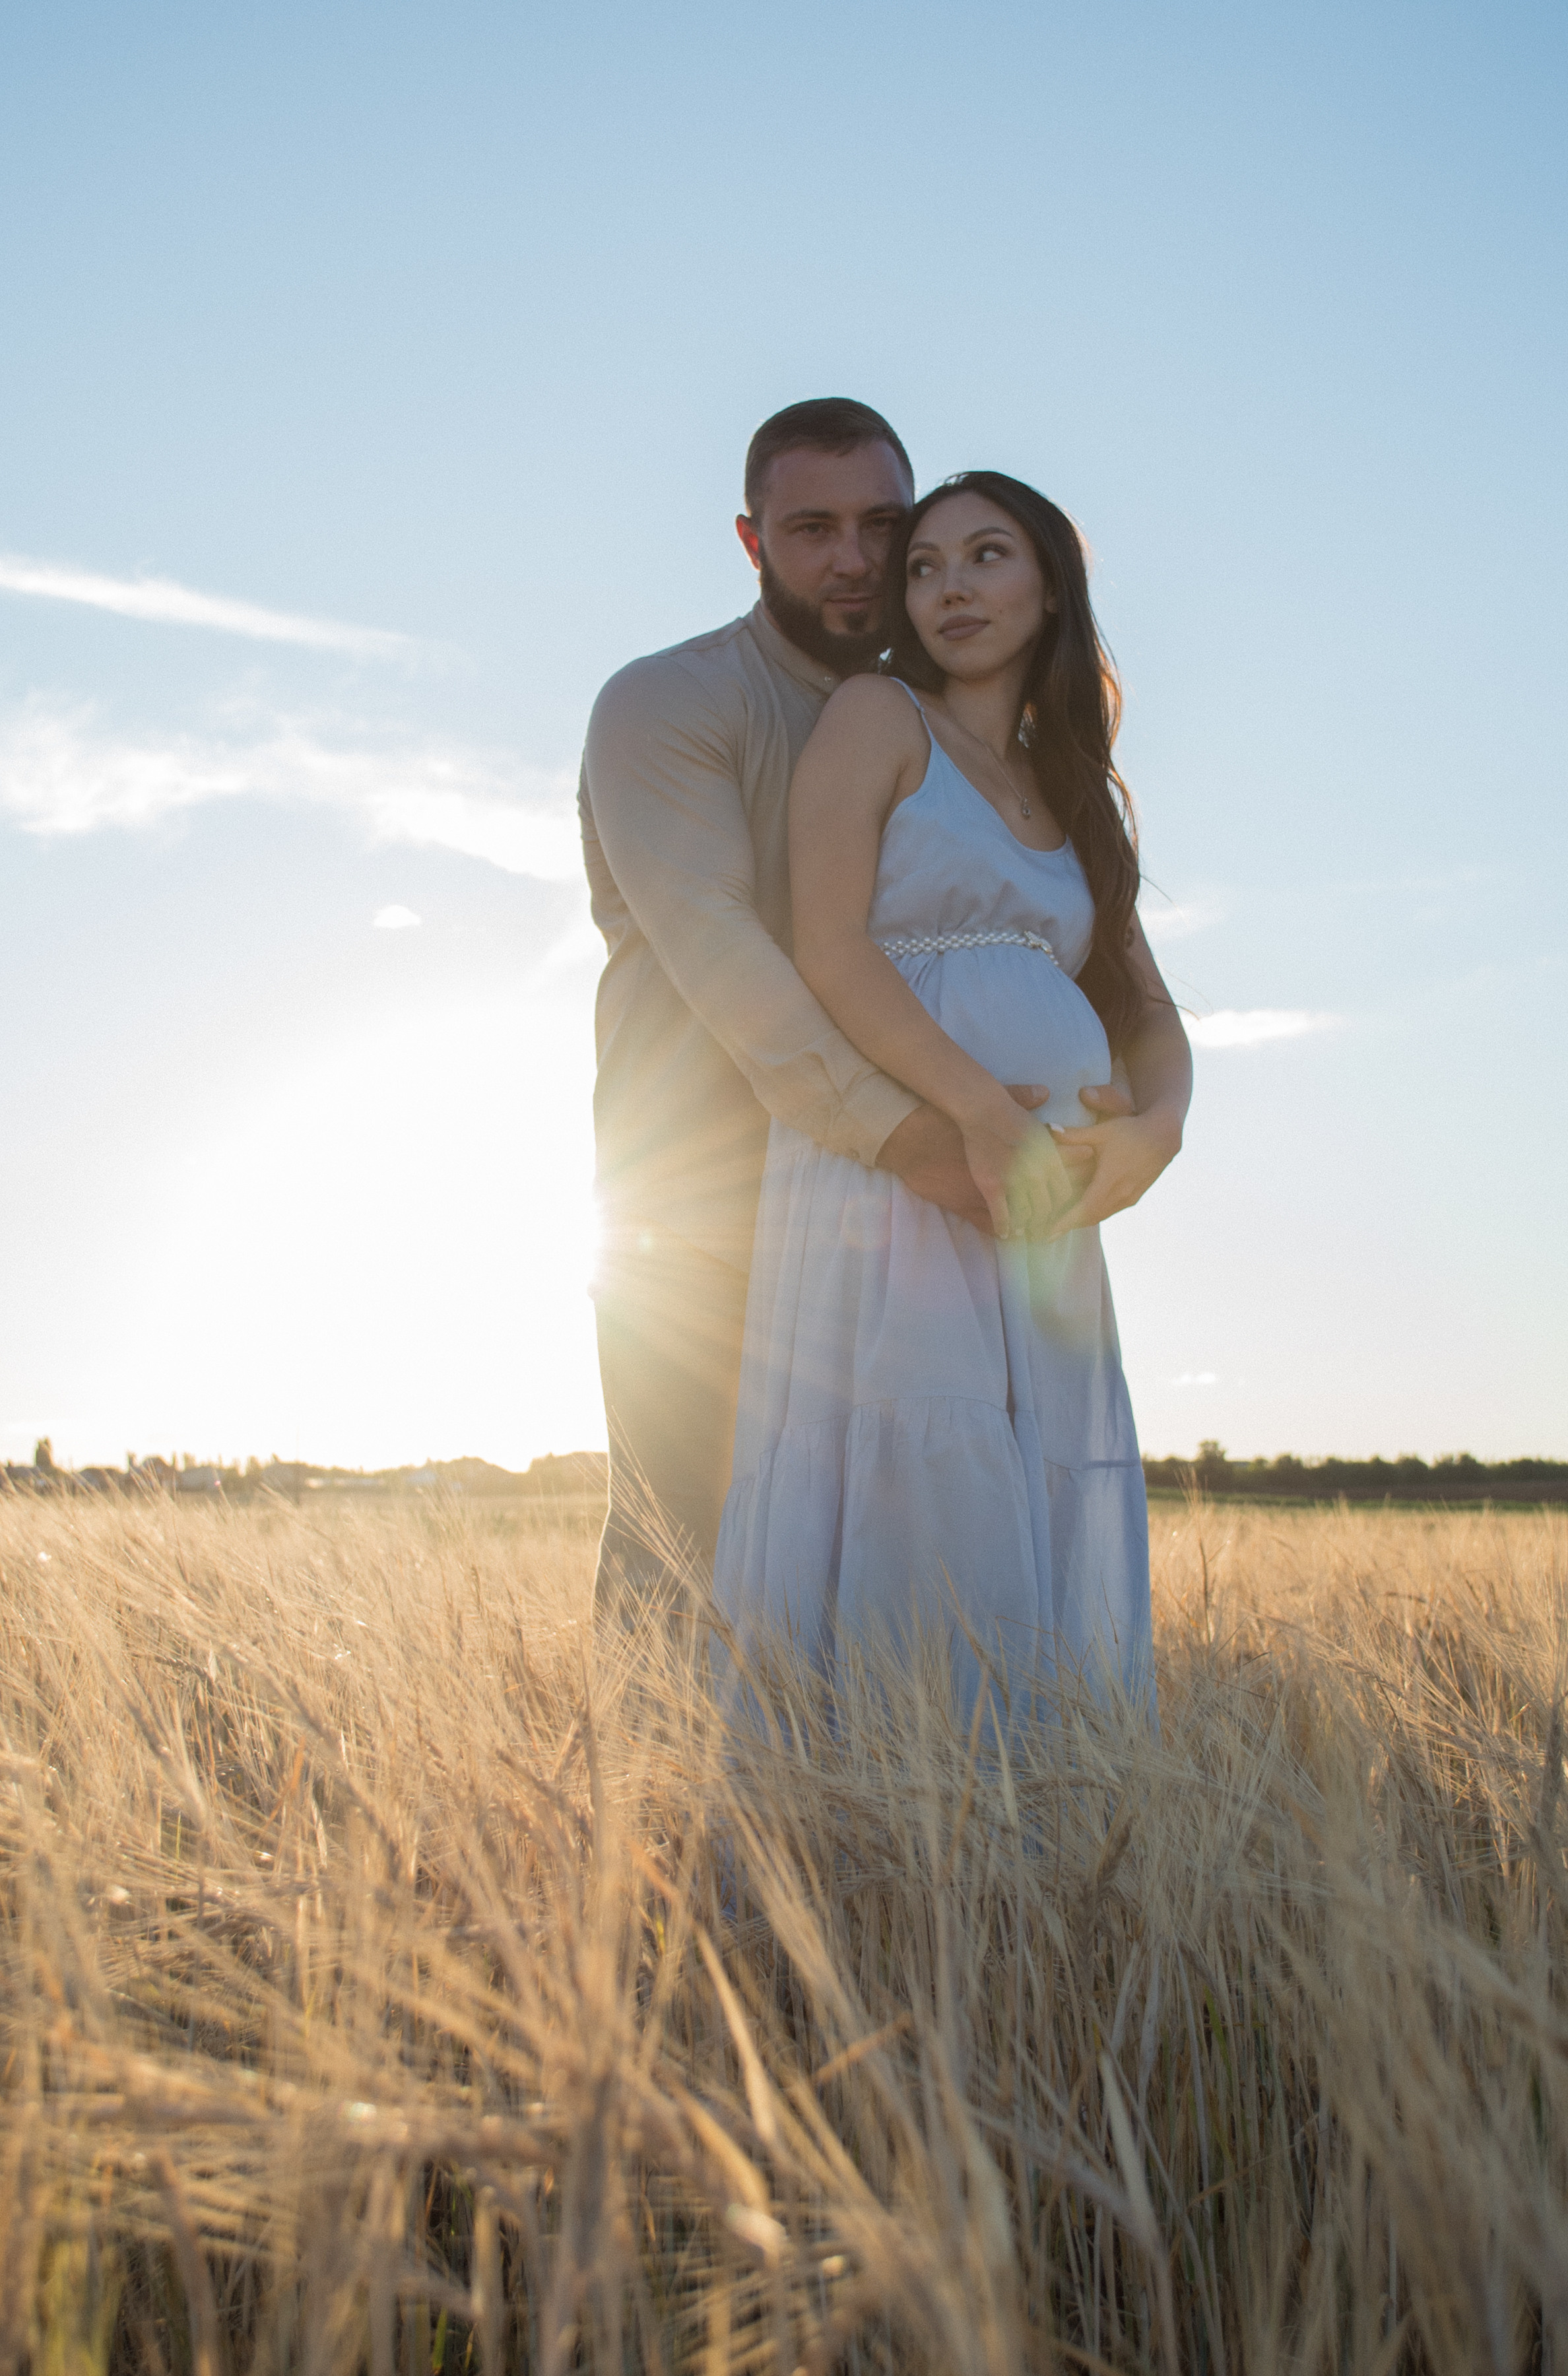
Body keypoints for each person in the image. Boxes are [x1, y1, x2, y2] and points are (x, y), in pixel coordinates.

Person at [579, 405, 1128, 1604]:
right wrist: (924, 1143)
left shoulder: (957, 727)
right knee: (690, 1549)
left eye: (885, 525)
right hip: (704, 1194)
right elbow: (728, 959)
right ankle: (661, 1797)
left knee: (905, 1550)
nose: (855, 560)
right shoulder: (667, 706)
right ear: (751, 540)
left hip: (923, 1202)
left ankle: (911, 1794)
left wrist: (1114, 1124)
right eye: (811, 528)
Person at [713, 473, 1191, 1713]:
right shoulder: (879, 716)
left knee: (1031, 1466)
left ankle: (1031, 1848)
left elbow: (1147, 1009)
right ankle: (887, 1832)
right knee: (920, 1457)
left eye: (986, 557)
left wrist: (1156, 1131)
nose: (949, 588)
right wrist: (982, 1118)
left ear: (1051, 585)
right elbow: (829, 948)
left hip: (1043, 1202)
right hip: (907, 1162)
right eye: (924, 567)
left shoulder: (1072, 784)